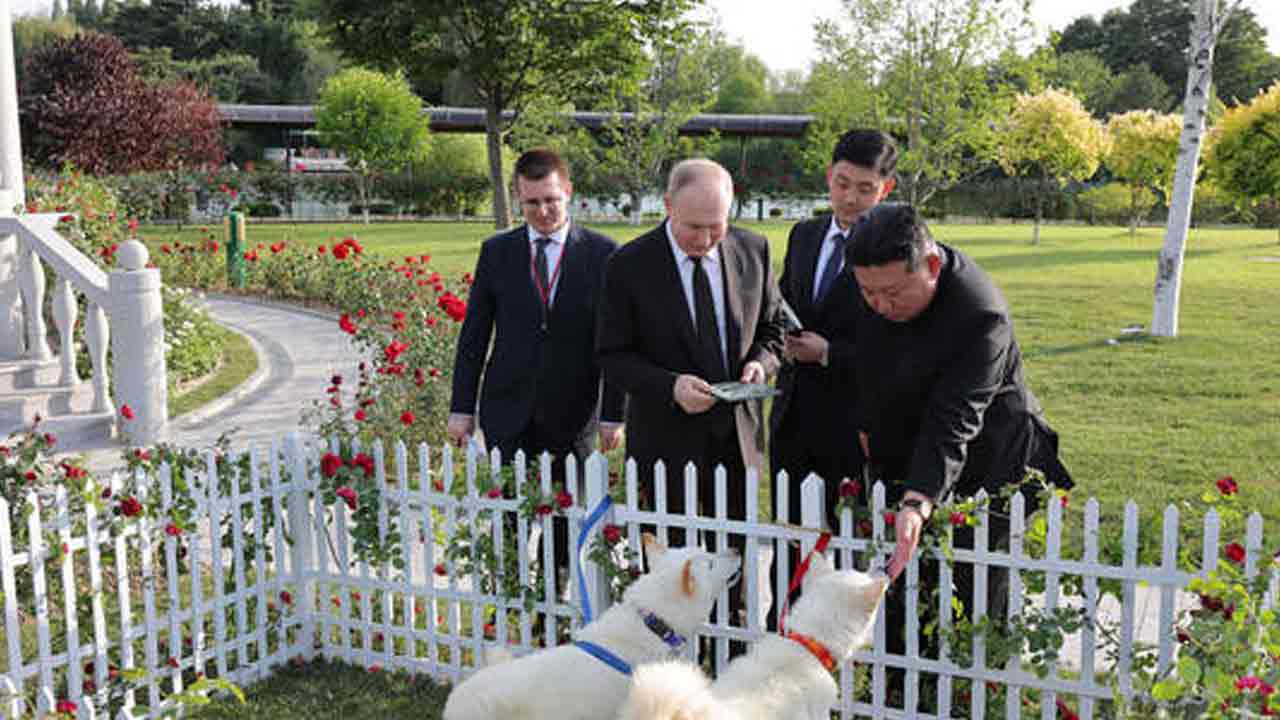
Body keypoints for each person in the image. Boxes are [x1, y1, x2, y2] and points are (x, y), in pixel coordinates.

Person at [845, 202, 1073, 680]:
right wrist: (868, 427)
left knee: (977, 592)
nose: (879, 305)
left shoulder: (981, 314)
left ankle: (978, 689)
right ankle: (902, 689)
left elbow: (955, 418)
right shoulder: (878, 283)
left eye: (891, 293)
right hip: (912, 449)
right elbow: (868, 360)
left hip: (991, 461)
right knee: (906, 586)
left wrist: (918, 500)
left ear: (930, 265)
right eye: (867, 292)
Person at [596, 158, 785, 636]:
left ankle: (730, 649)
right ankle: (670, 651)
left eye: (716, 226)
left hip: (736, 439)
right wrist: (670, 386)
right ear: (667, 206)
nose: (705, 239)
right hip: (665, 440)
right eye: (693, 227)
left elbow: (774, 328)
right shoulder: (628, 265)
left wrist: (761, 363)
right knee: (670, 566)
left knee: (733, 557)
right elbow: (613, 355)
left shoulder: (753, 249)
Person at [448, 148, 625, 583]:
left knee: (563, 521)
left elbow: (618, 343)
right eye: (531, 203)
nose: (542, 211)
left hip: (573, 415)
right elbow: (474, 335)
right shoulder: (497, 252)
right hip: (508, 411)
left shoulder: (604, 254)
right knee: (509, 518)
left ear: (568, 192)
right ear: (518, 198)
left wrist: (612, 414)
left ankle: (553, 603)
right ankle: (510, 601)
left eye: (551, 200)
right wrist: (461, 407)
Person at [769, 129, 897, 531]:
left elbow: (898, 347)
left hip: (854, 422)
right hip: (792, 414)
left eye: (865, 188)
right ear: (829, 177)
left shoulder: (897, 250)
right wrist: (779, 338)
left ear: (886, 189)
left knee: (847, 542)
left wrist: (828, 353)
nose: (850, 198)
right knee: (790, 535)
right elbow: (783, 303)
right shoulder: (803, 235)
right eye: (842, 184)